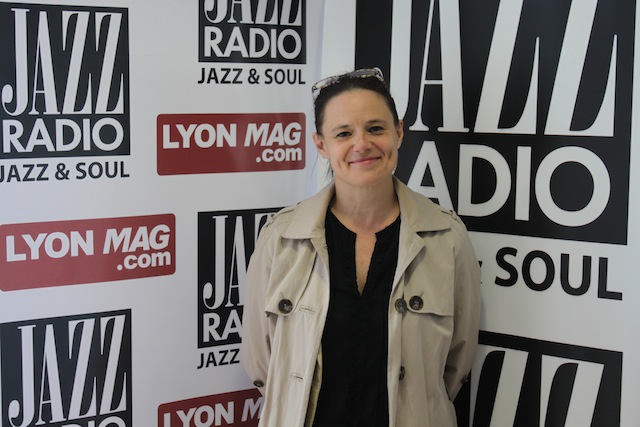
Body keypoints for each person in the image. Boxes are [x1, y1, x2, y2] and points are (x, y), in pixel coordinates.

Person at [242, 67, 481, 427]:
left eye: (375, 128)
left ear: (398, 132)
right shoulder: (280, 238)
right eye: (343, 133)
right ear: (321, 145)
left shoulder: (447, 238)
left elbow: (455, 365)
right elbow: (262, 363)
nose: (362, 144)